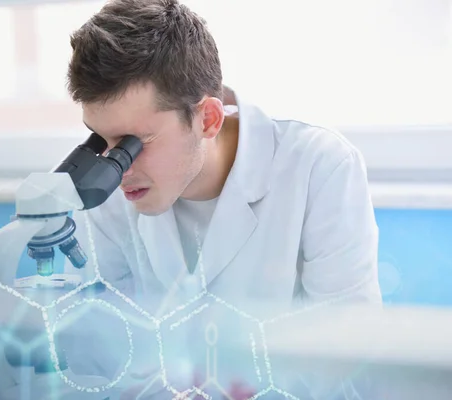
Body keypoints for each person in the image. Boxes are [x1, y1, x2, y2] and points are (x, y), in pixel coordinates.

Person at [62, 0, 382, 397]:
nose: (117, 168)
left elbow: (346, 357)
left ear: (208, 119)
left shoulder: (319, 167)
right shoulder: (111, 184)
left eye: (134, 143)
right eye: (102, 140)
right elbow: (108, 351)